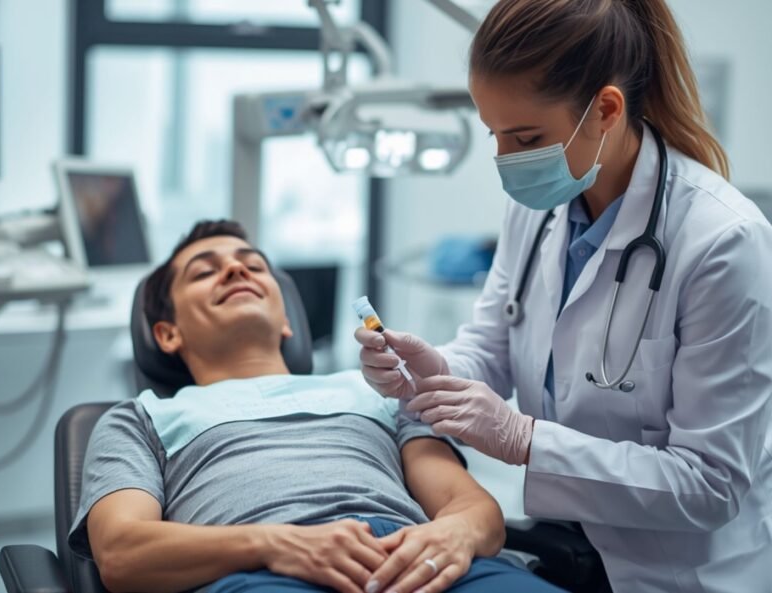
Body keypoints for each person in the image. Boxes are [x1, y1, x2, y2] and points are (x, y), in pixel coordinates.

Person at [355, 1, 772, 591]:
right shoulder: (539, 212)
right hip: (580, 546)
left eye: (526, 136)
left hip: (700, 567)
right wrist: (433, 369)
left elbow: (709, 486)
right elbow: (496, 342)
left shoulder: (724, 241)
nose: (505, 159)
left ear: (605, 109)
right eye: (494, 133)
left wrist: (524, 440)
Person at [69, 220, 562, 593]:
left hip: (417, 562)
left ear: (286, 318)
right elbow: (121, 552)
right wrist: (277, 543)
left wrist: (453, 534)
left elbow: (473, 509)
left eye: (253, 265)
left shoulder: (378, 393)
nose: (237, 269)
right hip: (259, 570)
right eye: (205, 272)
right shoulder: (141, 418)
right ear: (167, 333)